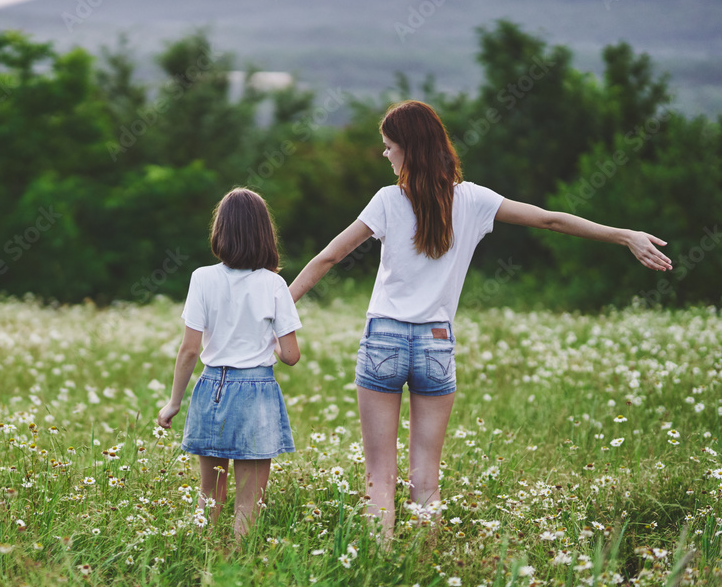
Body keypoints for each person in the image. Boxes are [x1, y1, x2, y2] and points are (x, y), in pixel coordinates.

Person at [287, 100, 672, 544]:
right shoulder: (474, 199)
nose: (386, 155)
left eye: (390, 147)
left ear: (409, 150)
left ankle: (378, 565)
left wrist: (282, 306)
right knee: (426, 479)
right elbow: (551, 219)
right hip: (435, 343)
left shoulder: (388, 200)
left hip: (384, 340)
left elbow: (330, 255)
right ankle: (420, 573)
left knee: (380, 475)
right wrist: (622, 234)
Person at [157, 187, 302, 543]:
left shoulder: (202, 278)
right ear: (264, 234)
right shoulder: (275, 284)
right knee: (249, 500)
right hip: (257, 393)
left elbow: (189, 349)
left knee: (210, 495)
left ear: (220, 231)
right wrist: (273, 343)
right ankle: (239, 562)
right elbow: (292, 356)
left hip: (213, 388)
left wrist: (174, 402)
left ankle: (201, 555)